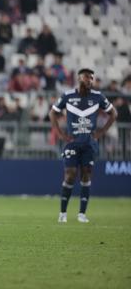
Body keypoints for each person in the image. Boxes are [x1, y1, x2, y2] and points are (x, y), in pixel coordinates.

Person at [49, 68, 117, 224]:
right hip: (72, 142)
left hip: (89, 143)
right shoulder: (67, 95)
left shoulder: (98, 96)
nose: (89, 80)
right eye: (87, 77)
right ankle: (63, 213)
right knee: (70, 174)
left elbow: (114, 113)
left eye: (91, 78)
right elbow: (52, 113)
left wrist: (101, 132)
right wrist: (60, 134)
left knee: (86, 175)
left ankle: (81, 214)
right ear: (79, 78)